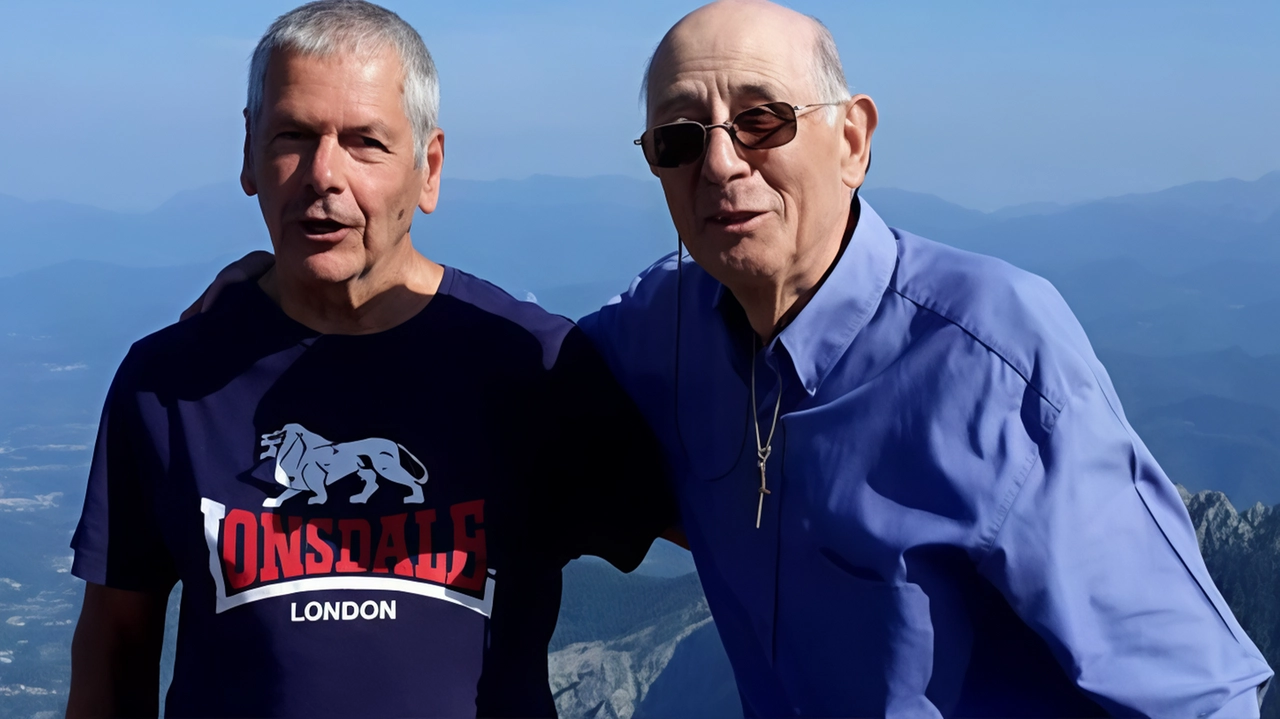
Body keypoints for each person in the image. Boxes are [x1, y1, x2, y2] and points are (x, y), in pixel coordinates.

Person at [191, 0, 1273, 716]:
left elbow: (1194, 693)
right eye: (678, 137)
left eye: (760, 122)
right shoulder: (665, 329)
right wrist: (305, 287)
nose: (721, 163)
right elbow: (505, 352)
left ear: (850, 136)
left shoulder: (994, 357)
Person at [66, 2, 674, 717]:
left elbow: (740, 542)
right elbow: (115, 644)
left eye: (365, 143)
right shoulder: (167, 384)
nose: (323, 174)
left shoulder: (534, 370)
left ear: (429, 168)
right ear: (249, 153)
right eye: (293, 135)